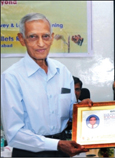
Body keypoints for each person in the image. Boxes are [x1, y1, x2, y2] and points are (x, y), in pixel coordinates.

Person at [1, 13, 93, 157]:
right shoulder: (11, 77)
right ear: (21, 39)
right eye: (33, 37)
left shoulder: (62, 71)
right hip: (29, 153)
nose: (41, 43)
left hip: (63, 150)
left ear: (52, 37)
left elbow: (70, 112)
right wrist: (56, 145)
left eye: (45, 36)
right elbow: (14, 134)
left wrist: (82, 108)